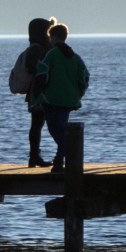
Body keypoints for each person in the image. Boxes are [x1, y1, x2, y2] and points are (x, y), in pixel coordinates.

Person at [35, 22, 91, 174]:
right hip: (68, 100)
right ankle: (60, 161)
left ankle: (62, 159)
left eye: (50, 37)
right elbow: (85, 77)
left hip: (52, 99)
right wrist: (79, 93)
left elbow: (42, 75)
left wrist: (39, 92)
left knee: (55, 130)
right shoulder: (75, 57)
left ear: (53, 37)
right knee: (62, 130)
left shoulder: (51, 55)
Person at [10, 17, 55, 167]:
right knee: (38, 125)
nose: (49, 34)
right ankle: (35, 156)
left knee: (37, 125)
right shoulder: (38, 49)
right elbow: (40, 70)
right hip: (39, 94)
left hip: (36, 94)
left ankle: (34, 156)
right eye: (47, 31)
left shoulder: (34, 47)